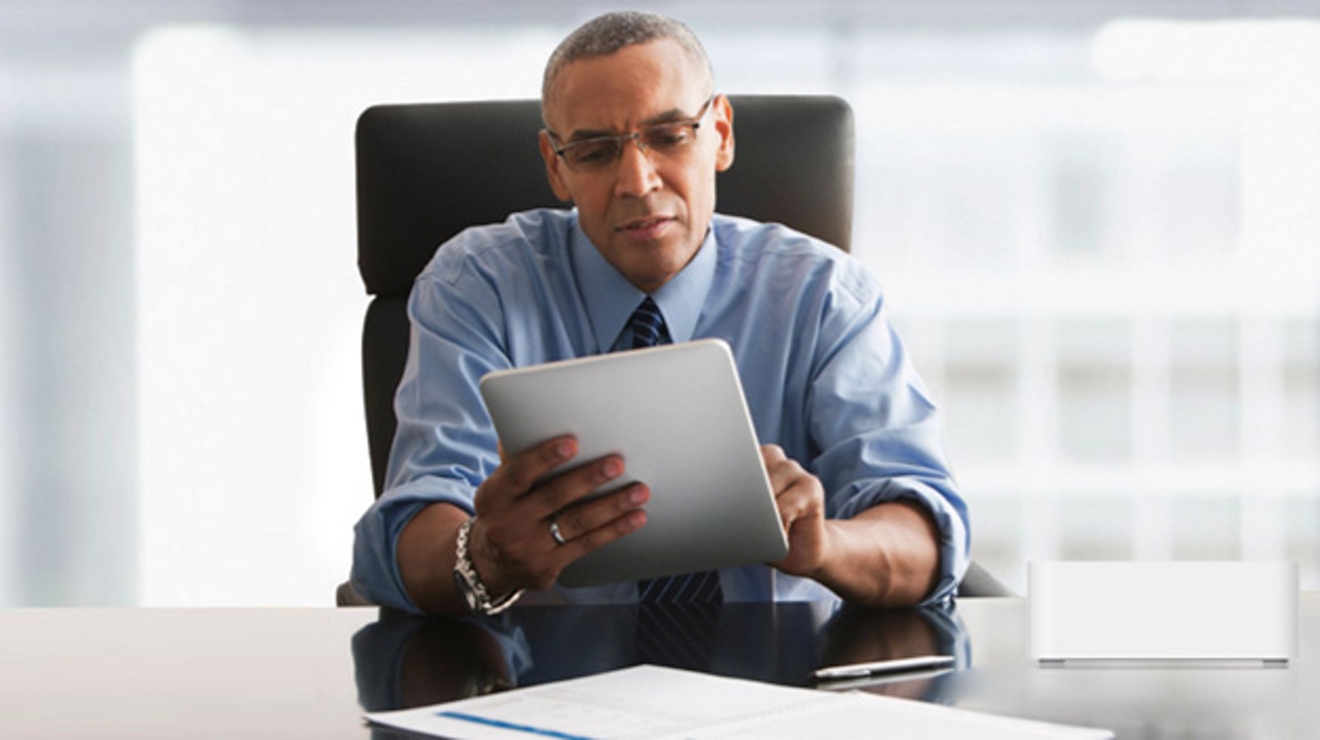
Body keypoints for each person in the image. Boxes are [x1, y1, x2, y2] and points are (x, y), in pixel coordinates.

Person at [351, 10, 970, 616]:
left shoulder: (824, 293)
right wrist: (484, 554)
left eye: (670, 136)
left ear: (721, 133)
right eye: (595, 152)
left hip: (778, 683)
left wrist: (825, 546)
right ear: (555, 166)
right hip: (544, 684)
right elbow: (408, 534)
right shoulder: (477, 284)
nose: (638, 182)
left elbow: (926, 539)